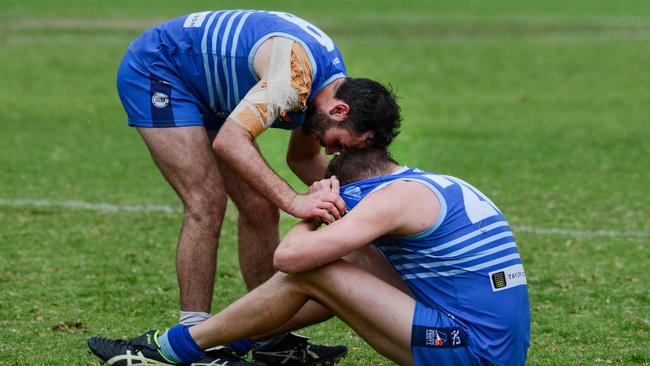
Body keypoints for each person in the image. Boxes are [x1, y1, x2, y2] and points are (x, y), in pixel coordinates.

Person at [115, 9, 401, 365]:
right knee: (206, 201)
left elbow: (301, 159)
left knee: (261, 207)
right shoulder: (293, 79)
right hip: (162, 69)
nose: (332, 152)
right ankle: (194, 339)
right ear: (341, 111)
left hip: (210, 90)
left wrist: (372, 211)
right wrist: (296, 201)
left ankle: (271, 336)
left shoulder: (327, 92)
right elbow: (231, 142)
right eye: (340, 143)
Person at [88, 149, 530, 366]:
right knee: (354, 259)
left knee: (312, 273)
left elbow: (291, 258)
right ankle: (237, 342)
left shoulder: (392, 200)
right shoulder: (429, 183)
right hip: (491, 348)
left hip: (469, 351)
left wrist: (313, 210)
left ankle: (169, 350)